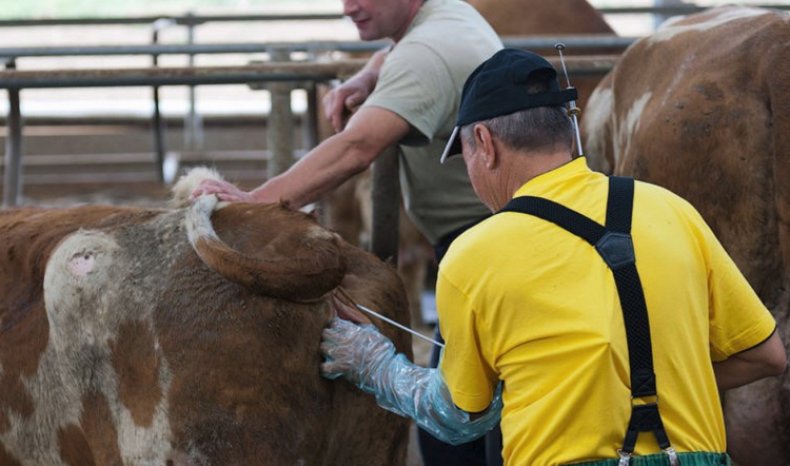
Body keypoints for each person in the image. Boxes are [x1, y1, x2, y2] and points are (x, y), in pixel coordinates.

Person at [318, 48, 787, 466]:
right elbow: (765, 355)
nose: (474, 180)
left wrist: (375, 364)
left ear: (484, 142)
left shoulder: (473, 256)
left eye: (465, 157)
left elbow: (460, 417)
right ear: (567, 132)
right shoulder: (672, 210)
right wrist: (653, 378)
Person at [191, 0, 504, 464]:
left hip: (486, 248)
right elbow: (401, 54)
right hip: (486, 237)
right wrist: (369, 76)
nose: (347, 6)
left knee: (454, 430)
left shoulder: (426, 54)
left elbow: (356, 148)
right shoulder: (445, 14)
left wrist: (254, 204)